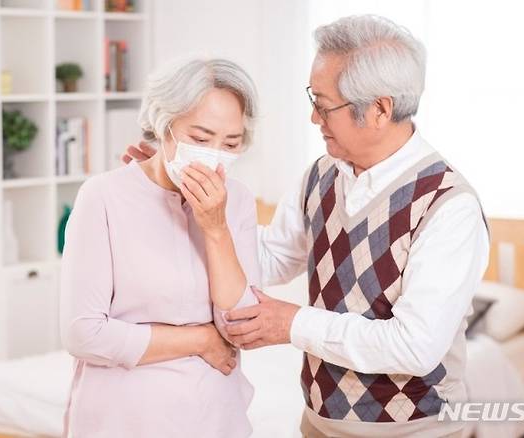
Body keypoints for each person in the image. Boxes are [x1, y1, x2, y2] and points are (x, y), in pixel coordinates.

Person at [125, 15, 489, 438]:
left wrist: (293, 323)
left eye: (323, 104)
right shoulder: (322, 175)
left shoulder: (449, 206)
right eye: (312, 98)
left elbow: (415, 345)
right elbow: (265, 259)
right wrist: (179, 197)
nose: (314, 118)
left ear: (379, 110)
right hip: (318, 423)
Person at [60, 57, 261, 438]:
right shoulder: (103, 196)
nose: (214, 154)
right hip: (123, 421)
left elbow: (243, 326)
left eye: (230, 143)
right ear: (163, 123)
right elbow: (82, 333)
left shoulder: (237, 200)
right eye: (200, 139)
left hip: (216, 418)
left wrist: (215, 230)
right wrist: (199, 339)